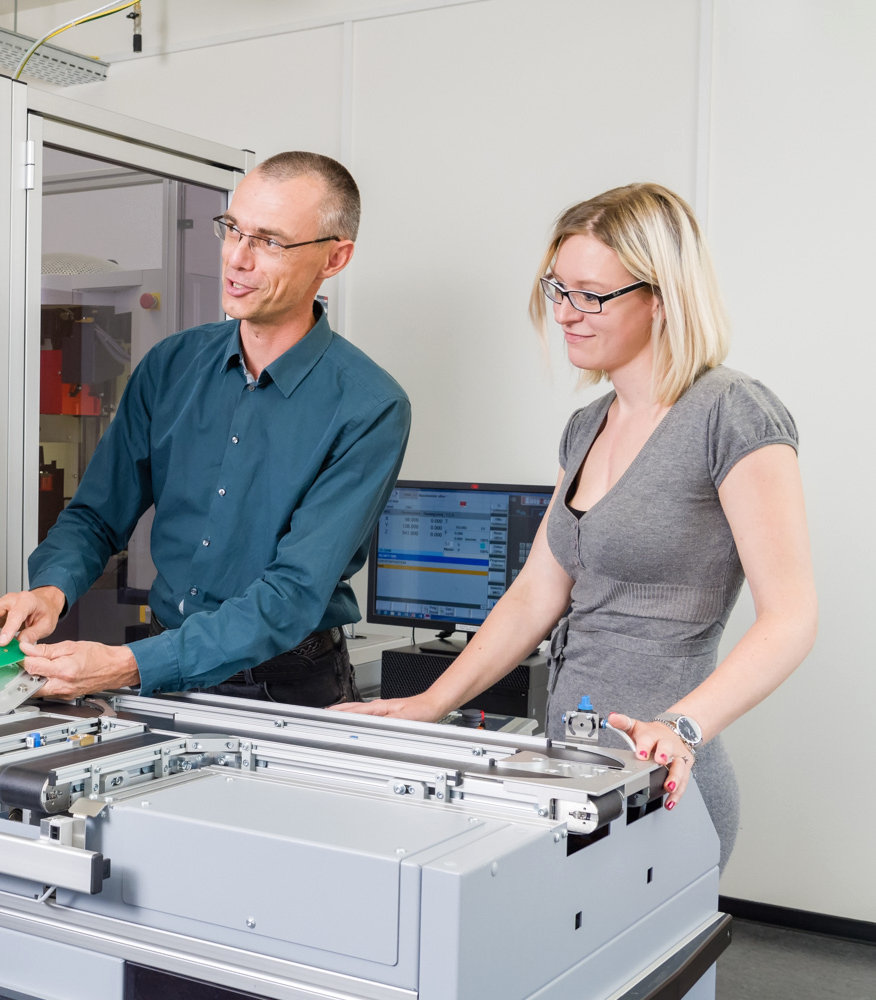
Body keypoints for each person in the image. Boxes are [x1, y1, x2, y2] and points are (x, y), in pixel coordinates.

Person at [332, 182, 817, 870]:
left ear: (661, 296)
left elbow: (791, 617)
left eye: (590, 295)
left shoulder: (732, 414)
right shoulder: (586, 427)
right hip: (570, 767)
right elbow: (535, 595)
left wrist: (682, 726)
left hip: (660, 777)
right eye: (557, 290)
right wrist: (430, 702)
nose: (564, 313)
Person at [0, 152, 411, 707]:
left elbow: (291, 595)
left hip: (286, 686)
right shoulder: (171, 366)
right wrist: (51, 590)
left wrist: (128, 665)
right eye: (232, 229)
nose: (236, 259)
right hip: (162, 673)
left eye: (268, 241)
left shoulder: (369, 406)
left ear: (334, 258)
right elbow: (96, 515)